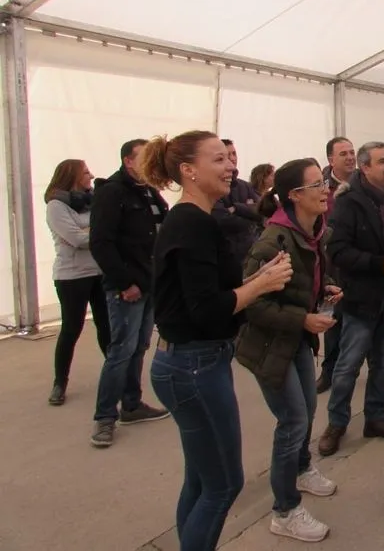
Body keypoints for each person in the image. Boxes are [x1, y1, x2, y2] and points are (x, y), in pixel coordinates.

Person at [144, 130, 293, 551]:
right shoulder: (192, 223)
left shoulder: (193, 219)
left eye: (229, 158)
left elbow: (207, 293)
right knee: (224, 484)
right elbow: (207, 309)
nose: (231, 166)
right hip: (194, 368)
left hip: (189, 363)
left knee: (200, 479)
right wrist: (261, 285)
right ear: (189, 170)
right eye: (218, 159)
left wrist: (257, 279)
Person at [236, 158, 340, 542]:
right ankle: (284, 510)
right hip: (269, 345)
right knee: (293, 420)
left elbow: (302, 281)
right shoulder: (272, 242)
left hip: (294, 339)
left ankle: (301, 467)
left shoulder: (313, 231)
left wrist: (324, 288)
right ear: (294, 195)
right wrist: (303, 319)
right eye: (316, 185)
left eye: (323, 183)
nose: (325, 190)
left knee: (307, 410)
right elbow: (253, 304)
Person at [317, 141, 384, 457]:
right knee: (348, 365)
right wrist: (379, 264)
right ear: (365, 168)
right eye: (382, 161)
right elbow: (337, 250)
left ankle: (376, 417)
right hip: (362, 299)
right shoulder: (348, 202)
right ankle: (337, 423)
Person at [89, 139, 170, 447]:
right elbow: (101, 244)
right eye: (145, 156)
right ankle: (104, 418)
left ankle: (132, 405)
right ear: (128, 161)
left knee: (138, 347)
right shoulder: (112, 192)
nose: (152, 162)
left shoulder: (148, 191)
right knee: (121, 350)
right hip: (127, 287)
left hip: (149, 284)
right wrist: (125, 283)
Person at [44, 159, 110, 406]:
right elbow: (76, 239)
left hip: (98, 272)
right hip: (71, 276)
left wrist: (91, 232)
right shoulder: (56, 205)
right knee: (72, 328)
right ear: (72, 176)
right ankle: (60, 382)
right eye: (85, 172)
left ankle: (116, 374)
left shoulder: (93, 201)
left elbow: (105, 230)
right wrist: (97, 232)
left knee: (106, 326)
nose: (91, 176)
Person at [317, 137, 357, 394]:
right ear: (331, 159)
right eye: (344, 154)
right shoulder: (321, 189)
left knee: (369, 318)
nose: (350, 157)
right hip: (332, 266)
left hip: (361, 262)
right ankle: (328, 372)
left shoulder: (365, 183)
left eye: (352, 152)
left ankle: (379, 369)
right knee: (333, 321)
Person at [212, 139, 262, 264]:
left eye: (234, 153)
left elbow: (261, 211)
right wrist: (250, 215)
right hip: (225, 257)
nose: (232, 158)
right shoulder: (213, 186)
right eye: (227, 155)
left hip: (250, 255)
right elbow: (222, 219)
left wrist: (236, 208)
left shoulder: (245, 186)